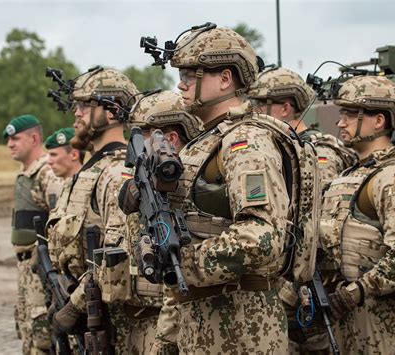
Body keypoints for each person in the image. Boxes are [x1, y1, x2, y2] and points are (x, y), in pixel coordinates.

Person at [148, 25, 306, 353]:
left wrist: (184, 264)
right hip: (204, 322)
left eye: (192, 74)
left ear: (224, 78)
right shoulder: (206, 142)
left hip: (242, 326)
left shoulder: (245, 141)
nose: (181, 84)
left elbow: (261, 238)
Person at [249, 67, 357, 354]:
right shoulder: (278, 149)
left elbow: (321, 229)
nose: (255, 111)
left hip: (309, 290)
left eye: (261, 105)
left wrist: (290, 290)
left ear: (285, 108)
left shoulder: (315, 153)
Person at [319, 75, 395, 353]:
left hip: (381, 319)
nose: (341, 122)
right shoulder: (350, 175)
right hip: (346, 314)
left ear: (379, 121)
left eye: (351, 114)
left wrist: (358, 291)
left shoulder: (394, 178)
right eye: (342, 113)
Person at [45, 67, 138, 353]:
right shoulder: (93, 168)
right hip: (89, 318)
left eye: (86, 104)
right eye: (76, 104)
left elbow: (117, 252)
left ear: (113, 112)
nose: (77, 112)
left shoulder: (116, 173)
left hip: (115, 326)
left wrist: (73, 307)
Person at [118, 90, 204, 354]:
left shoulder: (190, 184)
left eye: (142, 137)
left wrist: (163, 342)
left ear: (170, 140)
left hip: (174, 320)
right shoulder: (151, 184)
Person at [3, 114, 62, 354]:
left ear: (34, 138)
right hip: (25, 270)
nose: (10, 144)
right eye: (8, 139)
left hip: (40, 271)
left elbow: (61, 222)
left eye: (15, 138)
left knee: (43, 340)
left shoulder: (47, 173)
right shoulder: (26, 173)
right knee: (27, 334)